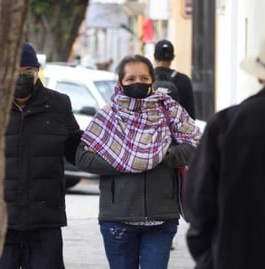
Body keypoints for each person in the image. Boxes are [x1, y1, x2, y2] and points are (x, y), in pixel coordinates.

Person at [183, 25, 265, 269]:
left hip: (235, 258)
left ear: (260, 75)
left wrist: (209, 256)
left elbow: (198, 204)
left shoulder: (226, 125)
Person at [75, 54, 200, 269]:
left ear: (152, 80)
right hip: (117, 219)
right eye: (131, 79)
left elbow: (195, 146)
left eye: (143, 78)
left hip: (161, 217)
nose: (138, 83)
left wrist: (163, 156)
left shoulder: (169, 110)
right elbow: (83, 157)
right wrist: (127, 160)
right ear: (120, 83)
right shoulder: (108, 115)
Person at [0, 42, 82, 269]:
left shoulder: (58, 104)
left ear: (37, 72)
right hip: (1, 222)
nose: (22, 78)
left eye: (28, 72)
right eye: (14, 72)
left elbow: (77, 149)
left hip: (45, 221)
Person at [153, 39, 196, 119]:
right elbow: (191, 116)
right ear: (173, 57)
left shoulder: (146, 78)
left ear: (154, 56)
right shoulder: (184, 80)